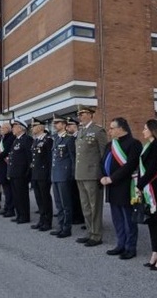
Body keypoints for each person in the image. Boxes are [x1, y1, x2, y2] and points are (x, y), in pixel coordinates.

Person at [100, 117, 142, 260]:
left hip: (125, 187)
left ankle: (130, 247)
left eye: (112, 128)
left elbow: (130, 166)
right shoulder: (110, 145)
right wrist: (102, 176)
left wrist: (111, 178)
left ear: (121, 128)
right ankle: (120, 244)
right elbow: (103, 162)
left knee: (128, 219)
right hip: (111, 187)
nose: (109, 131)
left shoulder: (134, 144)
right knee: (117, 219)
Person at [137, 119, 157, 270]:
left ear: (152, 129)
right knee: (151, 221)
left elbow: (152, 168)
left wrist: (139, 185)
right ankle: (155, 252)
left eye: (145, 128)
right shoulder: (148, 145)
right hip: (147, 188)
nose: (143, 131)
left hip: (156, 188)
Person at [74, 106, 108, 247]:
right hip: (80, 173)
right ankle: (89, 232)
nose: (80, 117)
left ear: (90, 115)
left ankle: (96, 235)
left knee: (95, 207)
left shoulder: (98, 131)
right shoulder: (81, 131)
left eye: (82, 114)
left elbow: (103, 154)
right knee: (86, 206)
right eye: (79, 115)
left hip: (93, 174)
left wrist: (102, 173)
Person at [51, 116, 76, 238]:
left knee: (66, 203)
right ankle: (60, 226)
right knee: (58, 203)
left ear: (64, 125)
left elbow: (72, 158)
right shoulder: (55, 138)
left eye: (58, 123)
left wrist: (72, 174)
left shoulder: (69, 139)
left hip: (64, 174)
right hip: (55, 174)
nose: (55, 125)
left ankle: (67, 228)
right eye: (54, 123)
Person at [30, 118, 53, 231]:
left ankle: (47, 222)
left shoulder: (48, 140)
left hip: (44, 174)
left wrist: (49, 175)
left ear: (41, 127)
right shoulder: (35, 141)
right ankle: (41, 219)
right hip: (35, 173)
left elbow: (49, 159)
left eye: (34, 126)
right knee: (39, 198)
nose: (32, 128)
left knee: (45, 198)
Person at [8, 119, 33, 224]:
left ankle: (24, 216)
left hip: (21, 173)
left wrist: (27, 173)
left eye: (14, 126)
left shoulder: (26, 139)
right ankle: (19, 215)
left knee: (22, 195)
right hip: (14, 172)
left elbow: (29, 157)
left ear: (20, 128)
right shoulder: (16, 140)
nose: (12, 129)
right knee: (16, 195)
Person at [66, 117, 86, 227]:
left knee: (80, 196)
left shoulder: (79, 137)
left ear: (76, 126)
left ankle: (81, 217)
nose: (68, 127)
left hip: (79, 170)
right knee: (73, 195)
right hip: (72, 170)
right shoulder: (71, 138)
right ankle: (76, 215)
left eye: (70, 125)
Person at [0, 122, 16, 217]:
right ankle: (7, 206)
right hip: (1, 166)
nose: (1, 129)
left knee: (9, 189)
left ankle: (10, 209)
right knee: (5, 189)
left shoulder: (11, 137)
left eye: (3, 128)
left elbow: (6, 151)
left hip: (6, 165)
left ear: (8, 128)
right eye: (1, 128)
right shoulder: (1, 138)